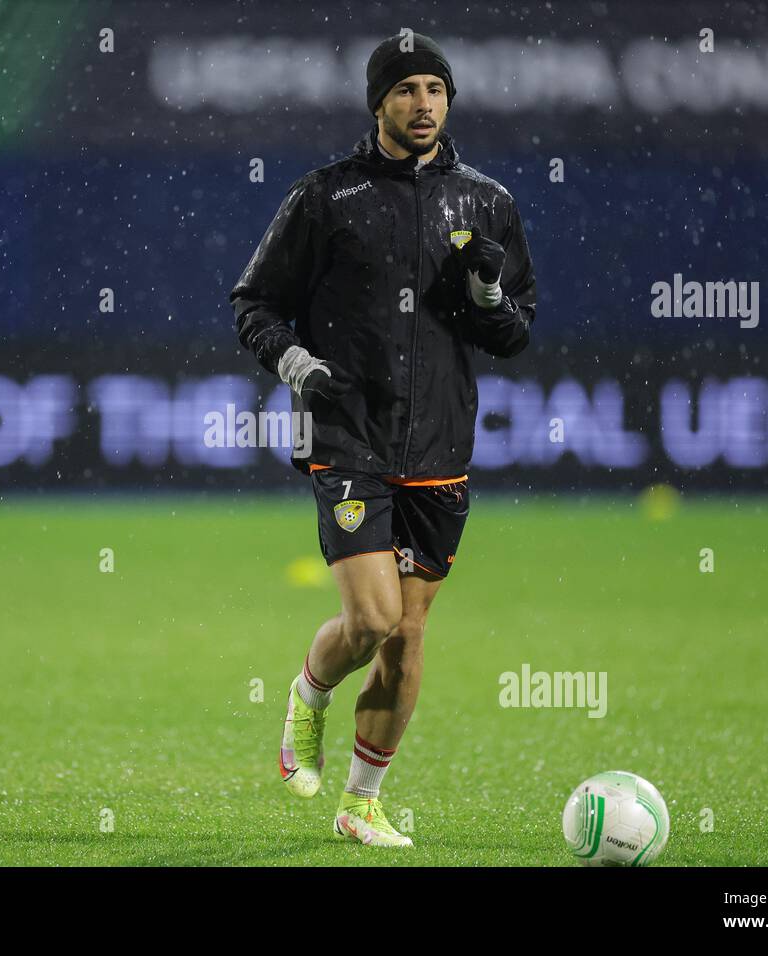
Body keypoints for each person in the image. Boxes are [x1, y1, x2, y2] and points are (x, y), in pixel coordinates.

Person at [230, 32, 538, 847]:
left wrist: (485, 289)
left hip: (439, 449)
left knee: (406, 639)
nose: (424, 102)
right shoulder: (326, 197)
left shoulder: (487, 203)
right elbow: (253, 302)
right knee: (369, 620)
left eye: (437, 88)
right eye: (406, 89)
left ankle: (362, 804)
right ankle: (309, 690)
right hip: (350, 436)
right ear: (378, 104)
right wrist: (298, 363)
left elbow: (512, 334)